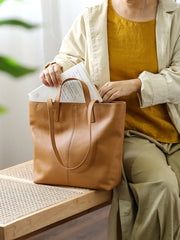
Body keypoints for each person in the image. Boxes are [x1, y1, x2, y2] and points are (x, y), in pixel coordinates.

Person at [40, 0, 180, 239]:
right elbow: (70, 55)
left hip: (173, 127)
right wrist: (56, 66)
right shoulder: (93, 16)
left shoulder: (175, 15)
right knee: (162, 187)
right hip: (125, 132)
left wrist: (137, 85)